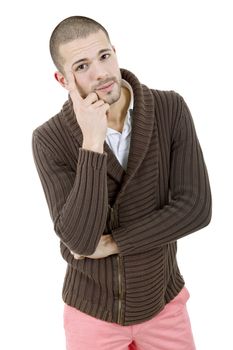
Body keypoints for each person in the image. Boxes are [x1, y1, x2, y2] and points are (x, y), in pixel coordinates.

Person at [32, 15, 212, 350]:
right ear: (62, 79)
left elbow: (195, 208)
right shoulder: (49, 138)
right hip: (92, 313)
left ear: (115, 52)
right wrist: (92, 142)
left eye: (103, 56)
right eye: (82, 66)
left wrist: (115, 242)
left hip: (163, 302)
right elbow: (81, 241)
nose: (100, 73)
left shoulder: (169, 108)